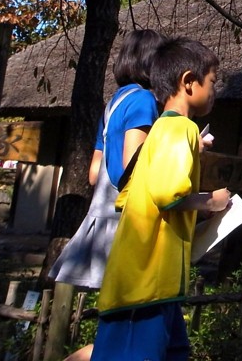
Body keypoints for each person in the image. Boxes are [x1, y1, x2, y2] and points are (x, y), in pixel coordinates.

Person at [92, 38, 231, 361]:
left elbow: (133, 195)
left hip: (155, 285)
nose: (214, 90)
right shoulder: (181, 127)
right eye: (211, 81)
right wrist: (212, 201)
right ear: (188, 82)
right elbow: (168, 193)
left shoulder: (162, 132)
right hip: (145, 285)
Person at [50, 29, 166, 292]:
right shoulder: (143, 100)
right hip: (125, 221)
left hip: (101, 212)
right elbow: (131, 168)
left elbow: (93, 174)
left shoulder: (114, 102)